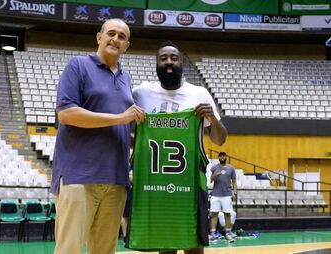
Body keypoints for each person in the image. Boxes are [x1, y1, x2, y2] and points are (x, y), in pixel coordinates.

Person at [51, 18, 145, 254]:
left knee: (105, 251)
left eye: (122, 37)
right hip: (79, 176)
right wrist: (119, 118)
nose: (115, 39)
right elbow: (66, 114)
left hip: (115, 179)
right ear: (99, 37)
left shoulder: (126, 79)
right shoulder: (78, 66)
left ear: (127, 46)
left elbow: (126, 126)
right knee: (69, 249)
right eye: (111, 33)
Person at [130, 41, 227, 254]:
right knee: (165, 245)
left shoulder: (199, 94)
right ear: (156, 63)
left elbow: (220, 140)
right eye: (163, 58)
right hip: (156, 184)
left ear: (181, 62)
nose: (169, 62)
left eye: (173, 58)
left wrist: (211, 116)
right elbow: (129, 134)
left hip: (190, 183)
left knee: (194, 246)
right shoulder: (140, 93)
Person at [209, 152, 237, 242]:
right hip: (215, 195)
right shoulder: (214, 168)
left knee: (227, 214)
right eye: (220, 156)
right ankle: (213, 234)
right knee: (214, 214)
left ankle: (228, 233)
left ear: (226, 157)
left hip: (227, 195)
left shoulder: (231, 168)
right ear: (218, 158)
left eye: (223, 156)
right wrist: (214, 175)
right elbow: (210, 180)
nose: (222, 157)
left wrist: (235, 193)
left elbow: (234, 181)